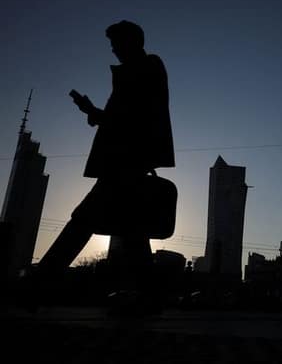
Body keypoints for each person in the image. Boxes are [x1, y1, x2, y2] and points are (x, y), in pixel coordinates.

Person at [28, 20, 175, 312]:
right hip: (126, 162)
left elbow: (132, 118)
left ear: (132, 42)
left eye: (116, 44)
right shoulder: (138, 71)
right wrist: (94, 112)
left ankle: (39, 282)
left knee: (84, 220)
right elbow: (123, 118)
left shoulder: (145, 67)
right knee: (131, 230)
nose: (114, 50)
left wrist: (97, 113)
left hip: (126, 162)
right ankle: (149, 295)